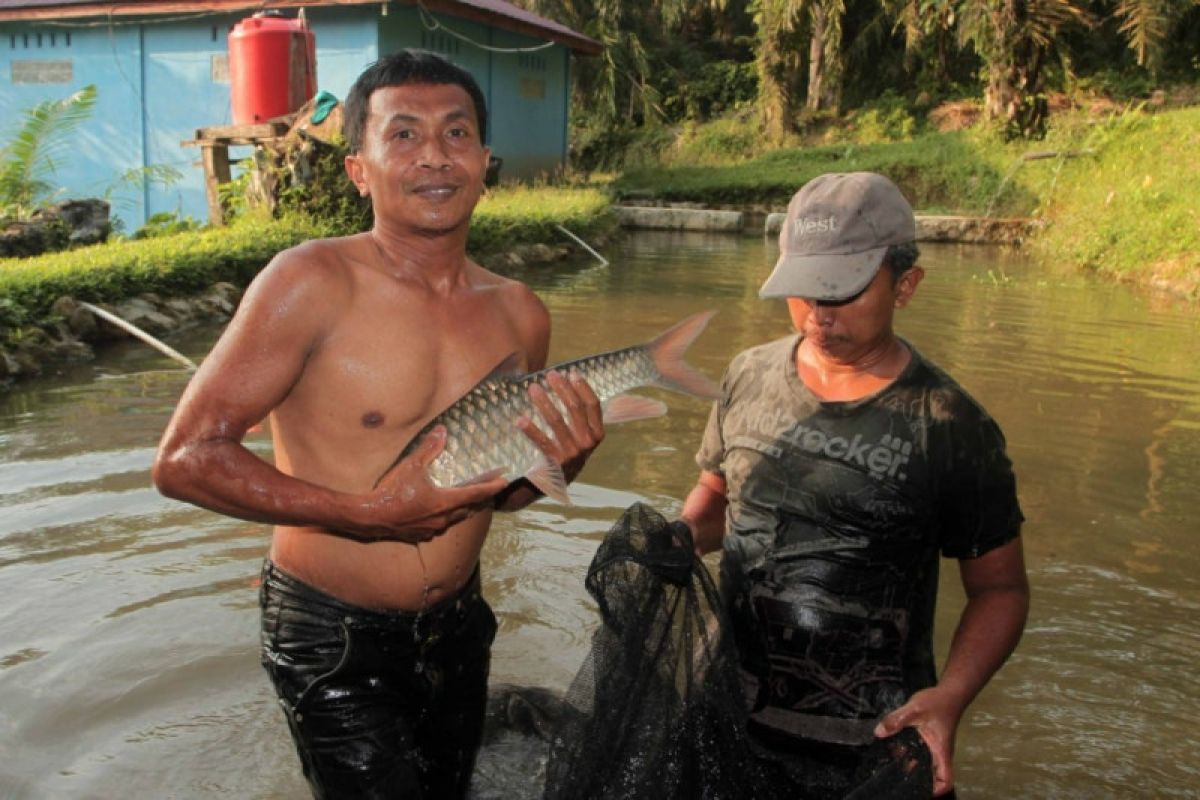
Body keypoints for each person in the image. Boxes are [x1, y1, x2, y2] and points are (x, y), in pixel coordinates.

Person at [152, 50, 604, 799]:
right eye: (403, 135)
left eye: (457, 134)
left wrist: (571, 455)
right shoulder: (310, 282)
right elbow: (184, 459)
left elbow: (506, 495)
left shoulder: (519, 311)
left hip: (459, 627)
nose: (435, 156)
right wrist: (367, 515)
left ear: (485, 161)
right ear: (359, 168)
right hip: (330, 634)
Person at [679, 172, 1029, 798]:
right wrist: (679, 536)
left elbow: (1000, 590)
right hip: (727, 712)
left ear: (906, 285)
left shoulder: (951, 424)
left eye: (841, 290)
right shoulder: (747, 374)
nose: (818, 312)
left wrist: (949, 698)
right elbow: (717, 503)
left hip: (868, 742)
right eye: (803, 288)